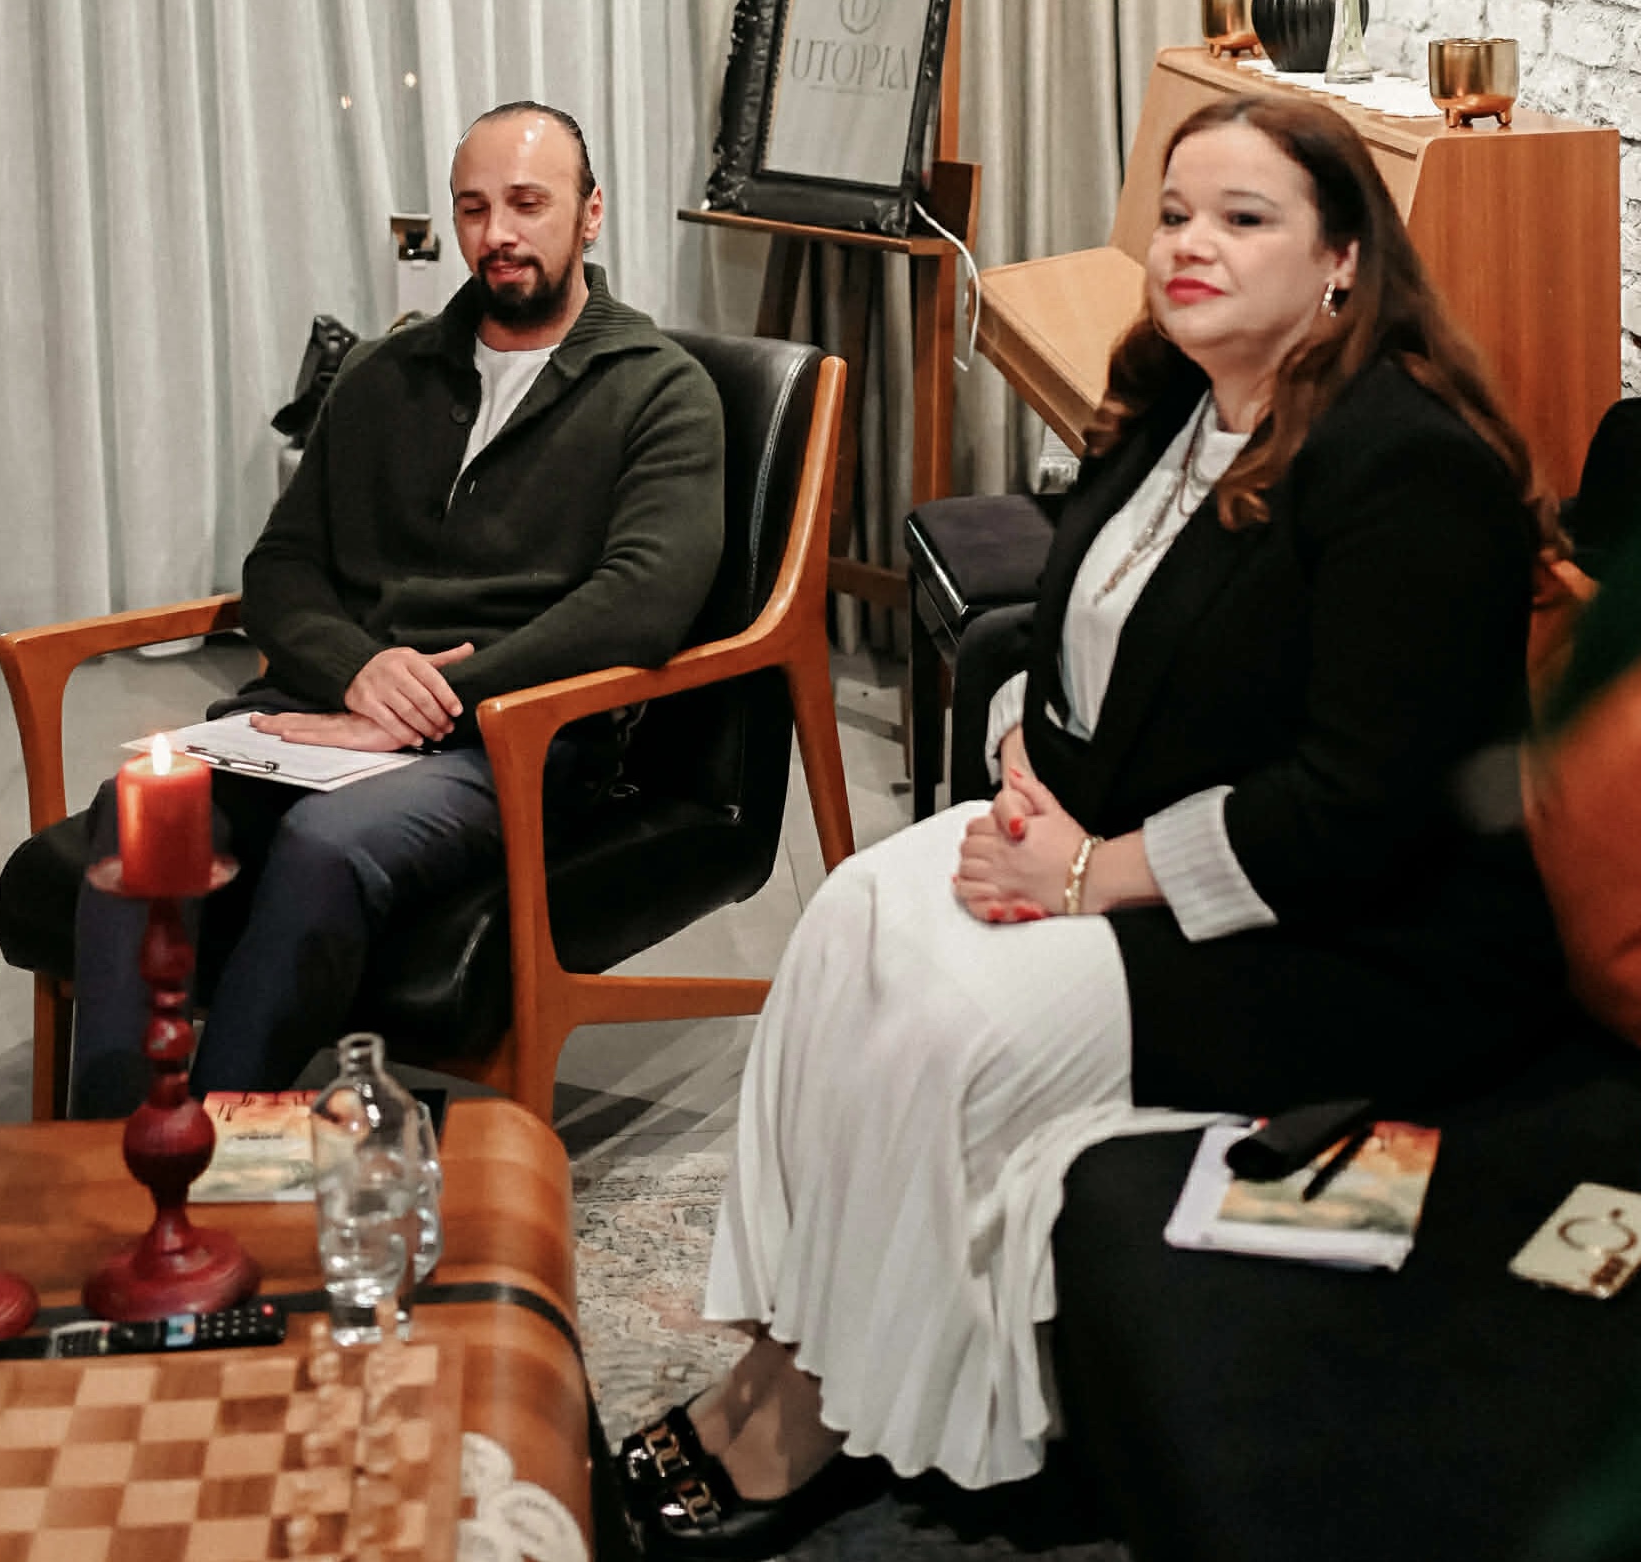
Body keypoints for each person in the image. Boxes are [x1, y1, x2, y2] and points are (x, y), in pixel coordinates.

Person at [619, 94, 1568, 1559]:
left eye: (1242, 218)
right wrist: (1023, 765)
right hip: (1150, 843)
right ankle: (784, 1341)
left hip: (1363, 940)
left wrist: (1086, 870)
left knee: (953, 1023)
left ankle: (835, 1411)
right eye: (1175, 213)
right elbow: (1063, 639)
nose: (1190, 243)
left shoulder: (1408, 465)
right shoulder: (1177, 403)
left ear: (1343, 260)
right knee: (850, 919)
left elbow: (1357, 810)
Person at [69, 101, 724, 1117]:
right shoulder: (384, 373)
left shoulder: (658, 390)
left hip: (512, 736)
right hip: (330, 710)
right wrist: (359, 672)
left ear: (590, 214)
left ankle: (207, 1150)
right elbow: (281, 567)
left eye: (527, 204)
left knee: (328, 843)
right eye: (473, 208)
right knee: (140, 806)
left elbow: (641, 603)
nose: (497, 233)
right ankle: (108, 1145)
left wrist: (427, 707)